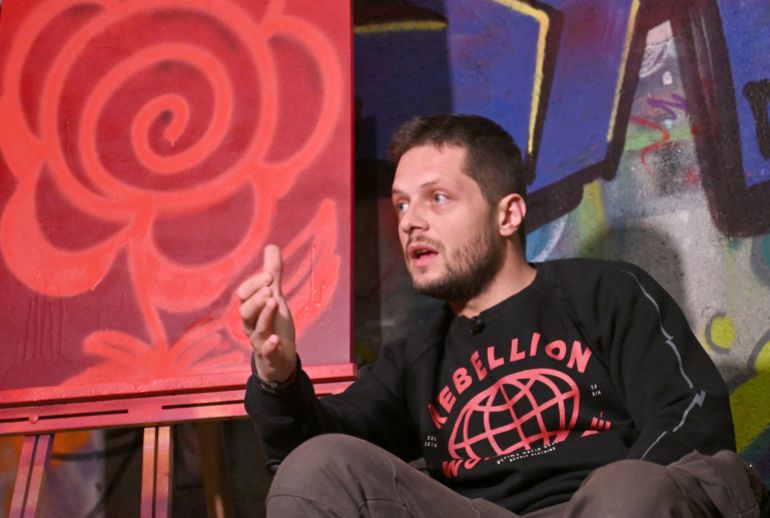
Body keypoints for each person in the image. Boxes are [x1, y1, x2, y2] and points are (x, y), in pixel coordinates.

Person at [238, 114, 766, 517]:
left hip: (610, 503)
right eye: (401, 205)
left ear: (508, 214)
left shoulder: (602, 292)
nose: (410, 222)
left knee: (629, 489)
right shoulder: (415, 358)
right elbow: (308, 456)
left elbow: (691, 417)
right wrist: (277, 373)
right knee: (317, 467)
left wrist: (624, 492)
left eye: (437, 198)